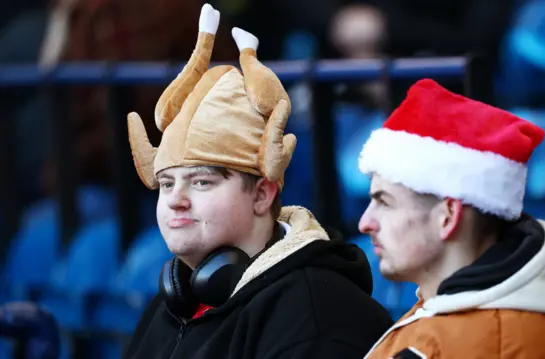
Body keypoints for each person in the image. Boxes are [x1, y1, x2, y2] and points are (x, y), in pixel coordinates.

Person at [121, 4, 393, 359]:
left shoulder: (317, 318)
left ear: (263, 194)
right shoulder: (175, 303)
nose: (176, 199)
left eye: (202, 183)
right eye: (167, 183)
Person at [356, 79, 545, 359]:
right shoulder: (460, 313)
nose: (365, 222)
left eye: (384, 202)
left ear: (448, 216)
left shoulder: (467, 344)